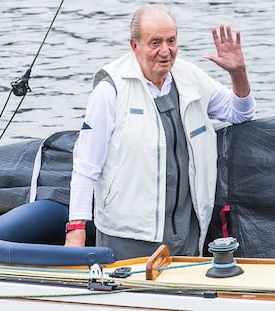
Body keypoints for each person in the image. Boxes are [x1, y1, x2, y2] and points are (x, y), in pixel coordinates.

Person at [64, 4, 256, 260]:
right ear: (135, 45)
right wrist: (76, 232)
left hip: (187, 236)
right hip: (127, 238)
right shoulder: (110, 90)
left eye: (171, 41)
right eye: (155, 42)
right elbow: (86, 166)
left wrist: (238, 74)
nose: (165, 51)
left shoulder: (190, 78)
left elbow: (240, 113)